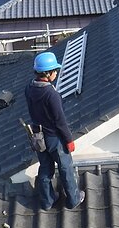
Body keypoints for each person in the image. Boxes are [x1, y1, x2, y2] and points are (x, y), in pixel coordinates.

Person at [25, 51, 85, 210]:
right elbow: (60, 121)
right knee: (66, 167)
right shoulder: (51, 94)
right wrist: (69, 139)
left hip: (37, 136)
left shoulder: (30, 88)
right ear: (47, 73)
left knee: (45, 168)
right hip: (54, 138)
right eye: (54, 70)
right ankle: (73, 199)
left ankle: (47, 201)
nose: (56, 73)